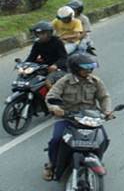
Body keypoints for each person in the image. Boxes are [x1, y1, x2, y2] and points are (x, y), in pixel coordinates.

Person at [43, 53, 111, 181]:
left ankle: (97, 160)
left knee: (104, 139)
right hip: (68, 117)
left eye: (90, 68)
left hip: (90, 118)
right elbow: (51, 97)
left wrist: (106, 111)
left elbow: (104, 97)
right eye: (85, 68)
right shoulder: (64, 81)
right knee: (56, 140)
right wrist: (56, 109)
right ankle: (51, 165)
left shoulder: (95, 81)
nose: (89, 71)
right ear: (75, 68)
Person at [27, 21, 68, 85]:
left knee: (48, 82)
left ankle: (54, 94)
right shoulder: (37, 43)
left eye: (43, 33)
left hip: (60, 68)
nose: (40, 36)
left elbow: (64, 57)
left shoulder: (57, 41)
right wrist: (24, 66)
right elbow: (32, 57)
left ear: (49, 33)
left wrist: (56, 65)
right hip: (45, 67)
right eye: (38, 34)